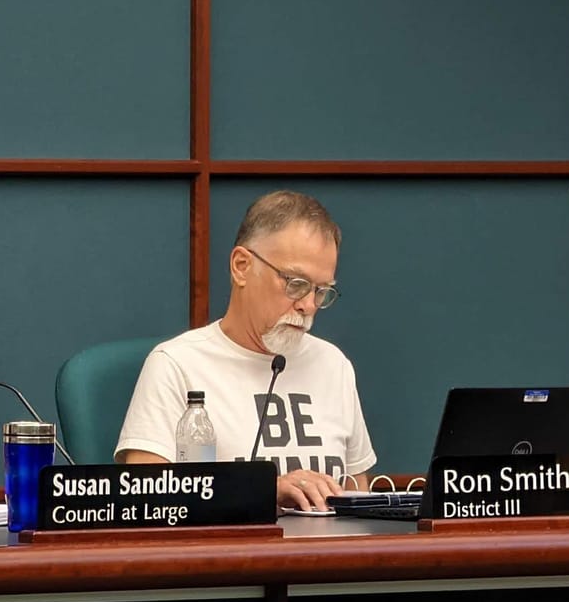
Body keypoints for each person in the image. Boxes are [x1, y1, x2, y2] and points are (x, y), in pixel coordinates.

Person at [116, 190, 375, 513]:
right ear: (242, 266)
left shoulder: (333, 364)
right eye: (296, 284)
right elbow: (144, 499)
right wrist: (262, 490)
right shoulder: (176, 365)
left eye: (321, 291)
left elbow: (357, 496)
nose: (308, 305)